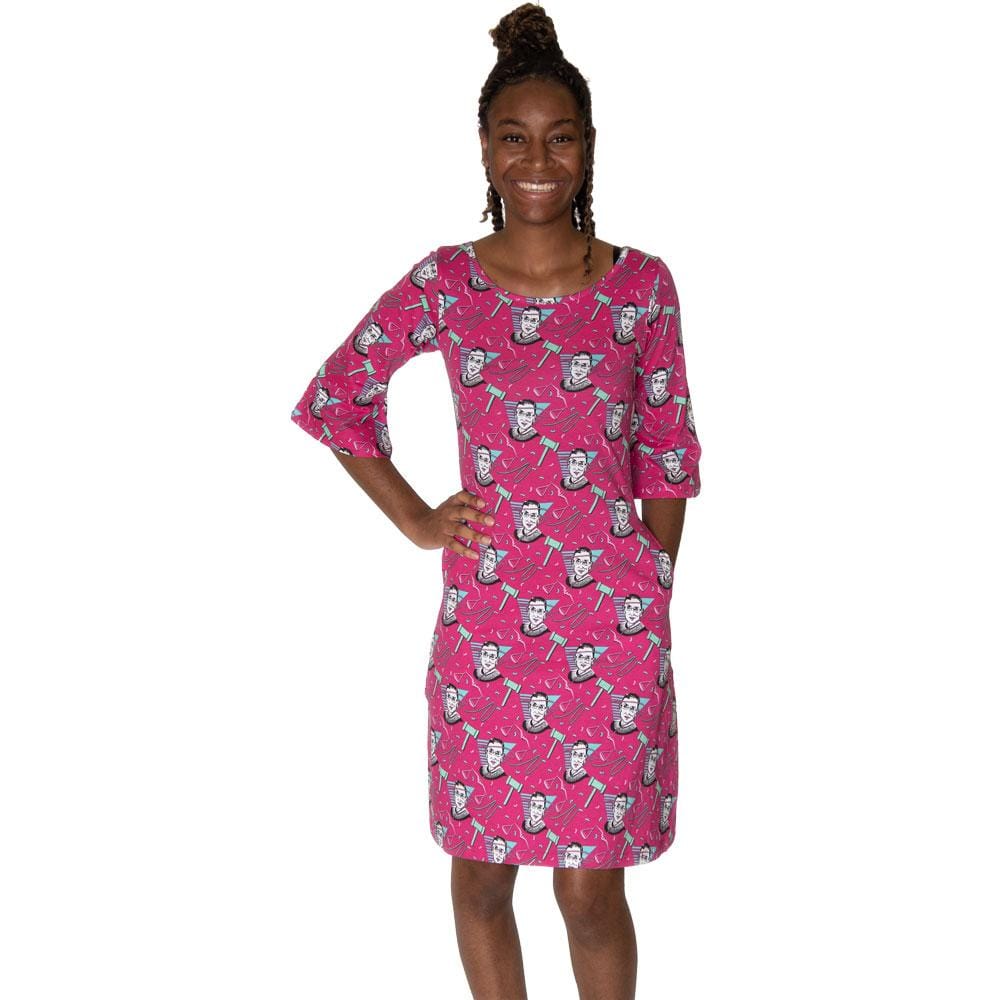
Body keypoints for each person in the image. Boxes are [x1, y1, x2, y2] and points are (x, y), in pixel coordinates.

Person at [289, 4, 703, 998]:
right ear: (484, 148)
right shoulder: (447, 284)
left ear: (588, 147)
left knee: (588, 892)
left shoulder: (641, 288)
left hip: (610, 626)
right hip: (488, 620)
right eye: (514, 138)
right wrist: (416, 517)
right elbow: (338, 396)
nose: (537, 160)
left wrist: (649, 581)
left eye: (559, 138)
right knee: (480, 875)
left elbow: (668, 448)